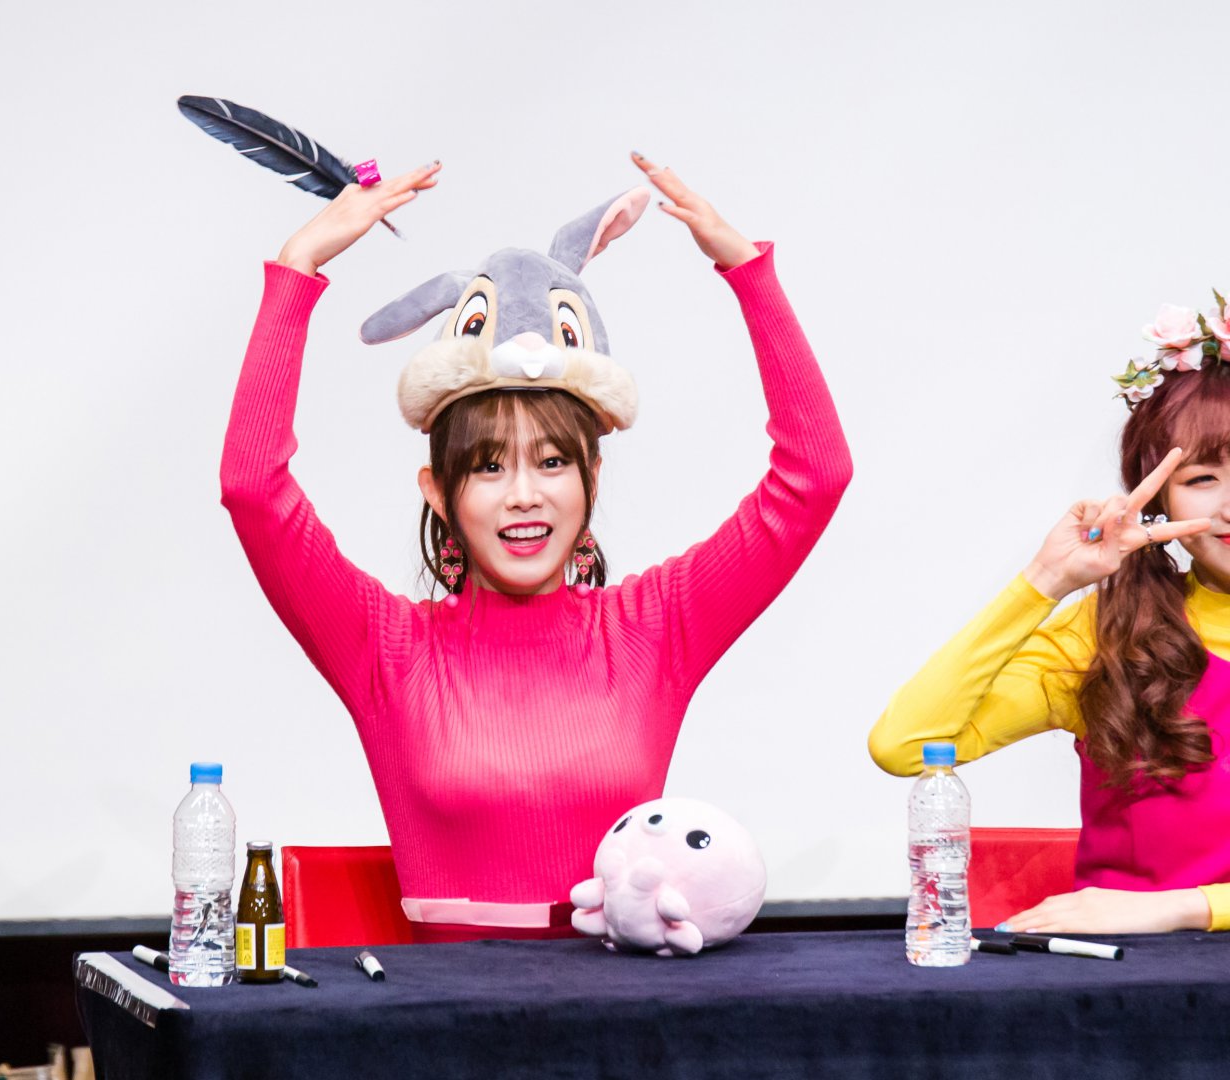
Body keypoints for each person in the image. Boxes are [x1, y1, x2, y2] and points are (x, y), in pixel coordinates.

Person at [221, 153, 852, 941]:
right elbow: (253, 487)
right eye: (489, 467)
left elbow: (815, 475)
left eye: (552, 462)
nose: (524, 494)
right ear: (439, 493)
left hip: (623, 1012)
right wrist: (296, 268)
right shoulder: (388, 650)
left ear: (592, 476)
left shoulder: (653, 629)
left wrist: (748, 275)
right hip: (445, 1016)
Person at [869, 297, 1230, 934]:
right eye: (1202, 478)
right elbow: (904, 745)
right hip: (1134, 978)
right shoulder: (1111, 632)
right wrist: (1047, 579)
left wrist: (1187, 907)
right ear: (1159, 498)